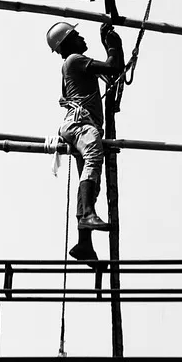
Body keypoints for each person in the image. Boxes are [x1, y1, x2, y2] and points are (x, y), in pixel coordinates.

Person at [46, 21, 125, 263]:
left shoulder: (75, 64)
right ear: (67, 42)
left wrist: (110, 46)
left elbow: (113, 71)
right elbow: (113, 67)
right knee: (93, 155)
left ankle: (84, 243)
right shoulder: (74, 60)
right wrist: (113, 45)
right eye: (76, 35)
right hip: (81, 124)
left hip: (77, 125)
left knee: (90, 177)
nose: (82, 38)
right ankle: (88, 214)